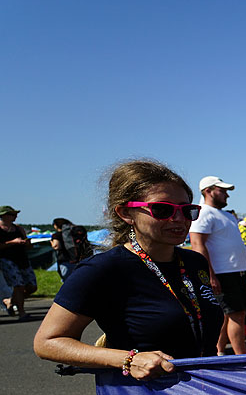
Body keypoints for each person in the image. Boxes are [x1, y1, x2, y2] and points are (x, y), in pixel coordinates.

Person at [33, 160, 224, 378]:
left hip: (205, 389)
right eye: (162, 209)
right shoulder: (103, 269)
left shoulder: (194, 262)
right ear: (126, 213)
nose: (179, 219)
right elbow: (47, 342)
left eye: (187, 210)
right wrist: (129, 359)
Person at [190, 176, 246, 355]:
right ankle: (243, 359)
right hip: (222, 273)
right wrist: (209, 275)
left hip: (234, 272)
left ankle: (219, 353)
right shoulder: (204, 213)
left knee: (226, 317)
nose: (226, 195)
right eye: (222, 191)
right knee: (237, 316)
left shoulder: (226, 215)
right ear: (208, 191)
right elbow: (197, 244)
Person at [0, 204, 36, 320]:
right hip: (7, 260)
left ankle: (11, 301)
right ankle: (22, 313)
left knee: (32, 287)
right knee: (19, 286)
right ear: (3, 216)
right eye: (12, 214)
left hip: (23, 259)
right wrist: (13, 242)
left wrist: (27, 243)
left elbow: (29, 247)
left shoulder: (18, 228)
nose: (15, 217)